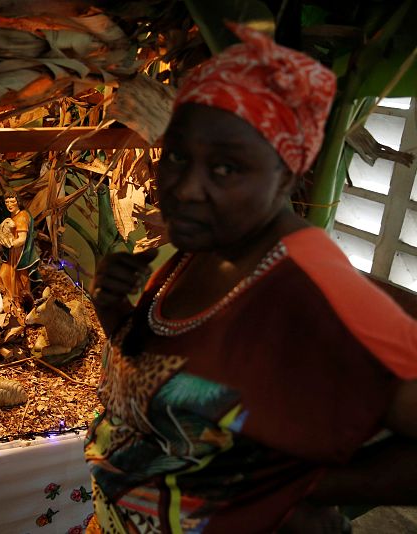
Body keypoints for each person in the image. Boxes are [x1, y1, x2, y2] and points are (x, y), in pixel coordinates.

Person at [85, 23, 417, 534]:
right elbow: (186, 383)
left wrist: (299, 489)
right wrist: (118, 315)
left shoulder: (314, 292)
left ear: (285, 174)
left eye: (226, 169)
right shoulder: (191, 252)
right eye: (175, 156)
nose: (185, 188)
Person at [0, 190, 42, 309]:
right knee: (5, 276)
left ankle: (21, 304)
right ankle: (11, 302)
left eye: (12, 201)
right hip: (13, 253)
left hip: (20, 254)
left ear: (18, 202)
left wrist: (9, 244)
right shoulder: (14, 215)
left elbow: (22, 239)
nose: (9, 205)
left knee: (21, 278)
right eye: (7, 202)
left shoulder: (22, 216)